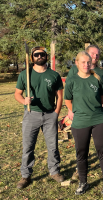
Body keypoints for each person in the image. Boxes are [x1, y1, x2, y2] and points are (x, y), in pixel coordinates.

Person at [15, 46, 64, 189]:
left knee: (53, 146)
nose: (39, 56)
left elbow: (60, 96)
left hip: (50, 115)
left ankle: (54, 171)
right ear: (32, 57)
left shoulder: (54, 75)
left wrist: (56, 113)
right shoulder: (25, 74)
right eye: (36, 54)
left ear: (46, 56)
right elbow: (17, 94)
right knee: (28, 147)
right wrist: (24, 101)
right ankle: (25, 175)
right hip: (31, 115)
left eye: (42, 54)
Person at [64, 51, 103, 195]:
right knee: (81, 153)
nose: (86, 65)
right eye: (83, 62)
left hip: (99, 120)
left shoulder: (97, 78)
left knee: (102, 151)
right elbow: (68, 100)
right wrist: (79, 110)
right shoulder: (71, 80)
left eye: (88, 62)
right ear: (77, 63)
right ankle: (83, 182)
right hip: (80, 122)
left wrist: (92, 108)